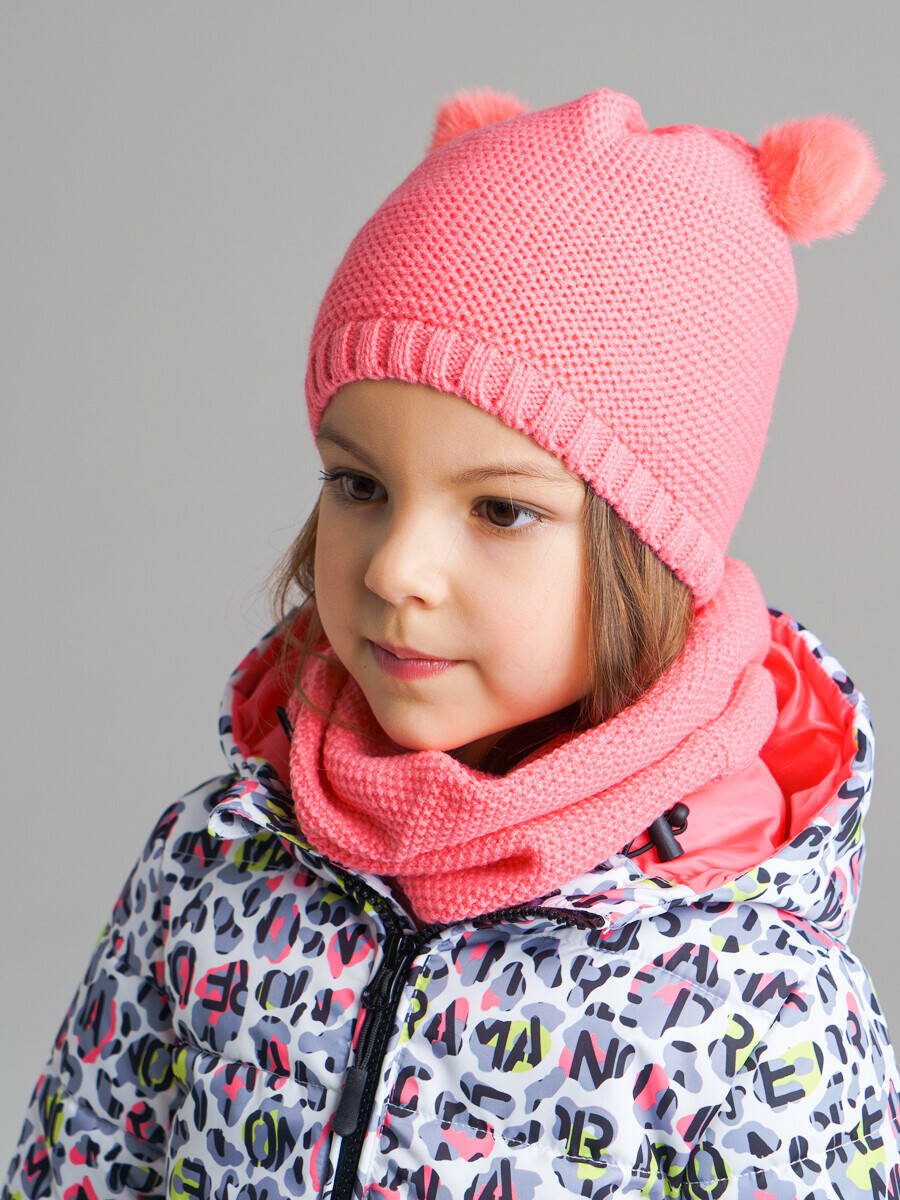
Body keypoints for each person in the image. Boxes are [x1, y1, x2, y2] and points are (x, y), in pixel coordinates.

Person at [4, 84, 898, 1200]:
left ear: (657, 549)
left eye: (500, 509)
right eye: (359, 485)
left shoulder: (755, 1008)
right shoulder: (209, 871)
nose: (394, 570)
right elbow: (78, 1168)